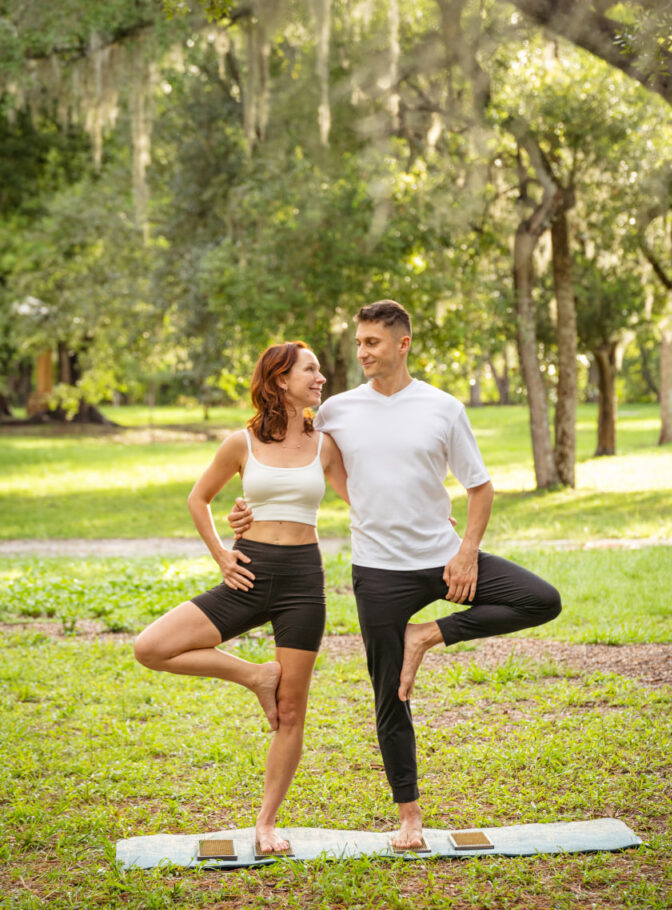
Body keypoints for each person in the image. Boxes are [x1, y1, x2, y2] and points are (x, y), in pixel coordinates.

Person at [230, 300, 561, 850]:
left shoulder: (443, 408)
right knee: (392, 694)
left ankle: (425, 635)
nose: (361, 352)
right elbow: (297, 467)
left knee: (540, 599)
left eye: (372, 343)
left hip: (443, 559)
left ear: (402, 344)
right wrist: (248, 513)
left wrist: (467, 553)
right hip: (378, 572)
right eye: (358, 342)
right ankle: (409, 819)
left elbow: (480, 489)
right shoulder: (335, 411)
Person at [134, 341, 348, 854]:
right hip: (247, 574)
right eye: (310, 370)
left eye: (319, 370)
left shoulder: (326, 444)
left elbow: (364, 501)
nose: (320, 378)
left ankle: (266, 823)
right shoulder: (241, 442)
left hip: (302, 581)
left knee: (291, 712)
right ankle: (255, 675)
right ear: (280, 380)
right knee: (151, 647)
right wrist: (221, 555)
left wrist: (428, 517)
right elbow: (198, 498)